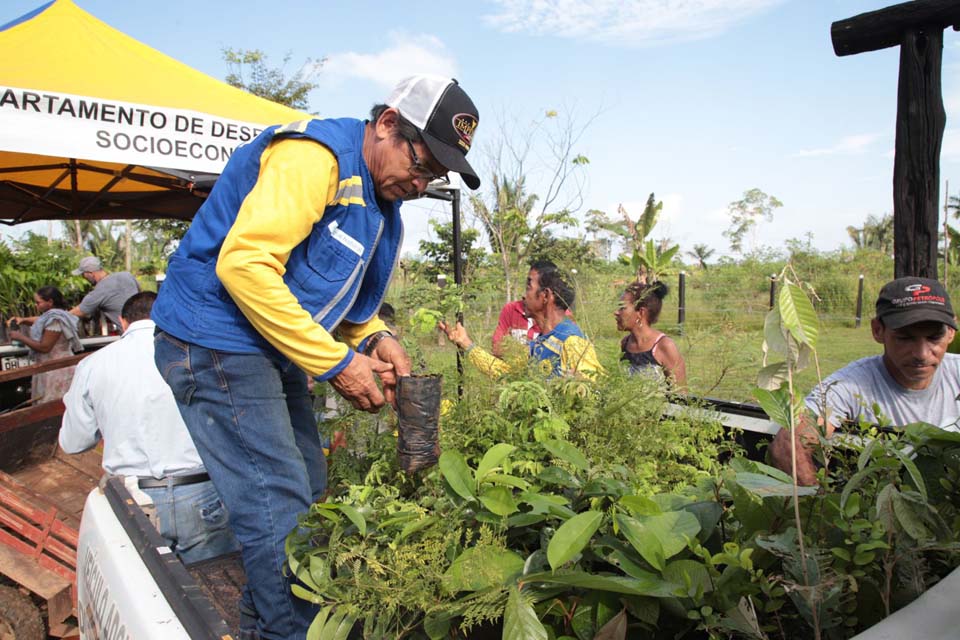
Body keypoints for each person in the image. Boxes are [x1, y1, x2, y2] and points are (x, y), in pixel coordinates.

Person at [150, 74, 480, 640]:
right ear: (386, 125)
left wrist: (375, 338)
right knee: (276, 504)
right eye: (422, 164)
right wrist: (337, 365)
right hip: (214, 338)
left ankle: (265, 627)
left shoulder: (378, 199)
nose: (423, 183)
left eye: (436, 176)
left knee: (306, 481)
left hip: (262, 344)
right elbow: (245, 267)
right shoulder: (315, 159)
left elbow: (328, 291)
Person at [59, 292, 238, 564]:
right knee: (212, 592)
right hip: (202, 493)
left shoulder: (93, 365)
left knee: (146, 593)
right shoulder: (201, 356)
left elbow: (74, 443)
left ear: (122, 321)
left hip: (131, 498)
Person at [770, 277, 960, 485]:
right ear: (878, 331)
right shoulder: (850, 386)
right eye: (905, 338)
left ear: (951, 332)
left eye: (934, 338)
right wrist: (821, 509)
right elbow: (788, 445)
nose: (922, 354)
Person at [439, 261, 602, 379]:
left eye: (528, 288)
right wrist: (465, 342)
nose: (524, 296)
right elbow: (505, 372)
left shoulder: (572, 341)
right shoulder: (539, 344)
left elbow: (591, 393)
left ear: (545, 296)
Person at [7, 286, 82, 403]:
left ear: (50, 302)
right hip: (52, 366)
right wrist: (23, 320)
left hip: (56, 368)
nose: (36, 306)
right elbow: (40, 320)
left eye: (38, 303)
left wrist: (20, 337)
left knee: (53, 405)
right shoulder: (57, 316)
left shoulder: (55, 320)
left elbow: (45, 347)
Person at [614, 281, 686, 388]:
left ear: (641, 312)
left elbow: (680, 394)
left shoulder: (664, 346)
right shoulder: (625, 343)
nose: (616, 312)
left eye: (622, 308)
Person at [70, 256, 140, 330]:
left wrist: (59, 315)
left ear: (90, 273)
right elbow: (141, 294)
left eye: (83, 274)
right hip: (149, 327)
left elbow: (77, 312)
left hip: (131, 333)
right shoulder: (127, 275)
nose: (83, 277)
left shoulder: (98, 292)